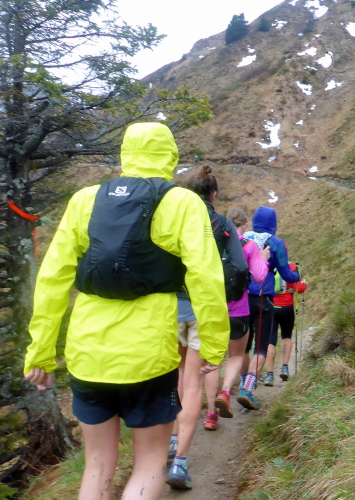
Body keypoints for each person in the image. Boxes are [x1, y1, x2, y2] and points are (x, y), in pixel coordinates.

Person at [24, 122, 229, 500]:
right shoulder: (182, 203)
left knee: (97, 465)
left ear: (125, 153)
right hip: (149, 356)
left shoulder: (84, 200)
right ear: (170, 156)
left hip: (88, 354)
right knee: (150, 463)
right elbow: (206, 280)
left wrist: (40, 352)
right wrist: (214, 346)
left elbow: (52, 279)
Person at [166, 166, 250, 490]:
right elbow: (239, 267)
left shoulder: (174, 219)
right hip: (203, 309)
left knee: (174, 380)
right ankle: (180, 462)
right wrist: (227, 295)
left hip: (171, 307)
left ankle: (171, 440)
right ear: (214, 194)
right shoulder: (223, 224)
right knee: (192, 386)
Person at [206, 208, 269, 428]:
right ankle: (225, 392)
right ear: (244, 226)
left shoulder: (212, 243)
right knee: (235, 356)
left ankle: (211, 416)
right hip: (238, 311)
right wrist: (264, 259)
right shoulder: (249, 246)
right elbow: (259, 277)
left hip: (213, 308)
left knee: (213, 361)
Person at [237, 206, 300, 410]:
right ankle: (247, 388)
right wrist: (297, 275)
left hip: (242, 297)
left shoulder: (243, 238)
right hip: (264, 298)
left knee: (244, 345)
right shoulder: (275, 243)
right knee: (261, 346)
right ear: (273, 224)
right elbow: (287, 274)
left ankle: (242, 381)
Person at [264, 262, 308, 385]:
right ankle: (285, 368)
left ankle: (269, 375)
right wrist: (305, 284)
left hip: (271, 307)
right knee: (286, 337)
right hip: (287, 308)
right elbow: (299, 288)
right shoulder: (291, 267)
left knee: (271, 341)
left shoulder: (267, 265)